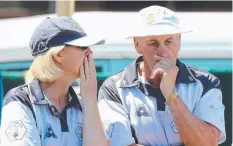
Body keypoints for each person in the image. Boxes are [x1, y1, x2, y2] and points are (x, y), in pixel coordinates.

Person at [98, 5, 226, 146]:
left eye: (169, 42)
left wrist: (171, 95)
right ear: (137, 44)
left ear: (179, 41)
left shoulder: (206, 83)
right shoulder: (113, 88)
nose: (163, 52)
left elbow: (206, 143)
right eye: (153, 43)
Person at [0, 16, 109, 146]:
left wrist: (90, 98)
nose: (90, 52)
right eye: (83, 46)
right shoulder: (21, 100)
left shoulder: (83, 103)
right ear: (58, 54)